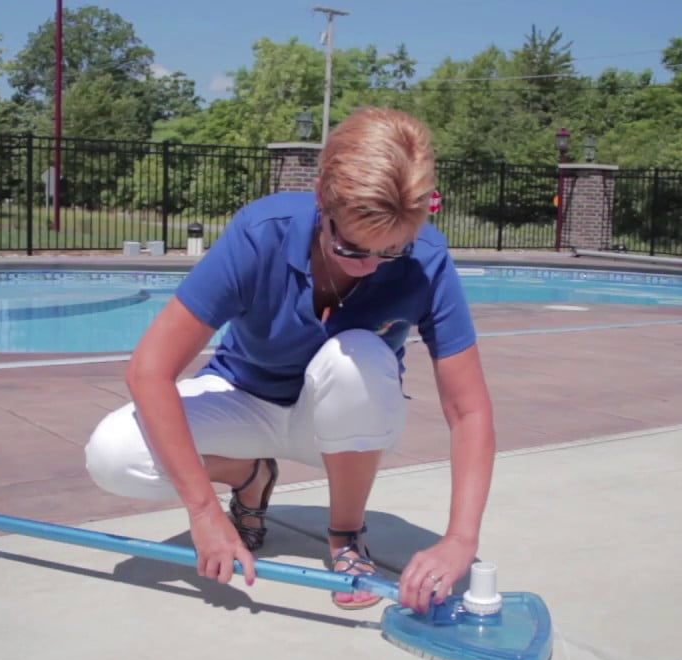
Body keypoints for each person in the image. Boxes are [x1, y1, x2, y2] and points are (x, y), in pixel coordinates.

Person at [84, 106, 495, 613]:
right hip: (244, 401)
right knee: (113, 455)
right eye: (352, 248)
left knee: (356, 355)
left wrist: (461, 540)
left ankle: (346, 537)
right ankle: (249, 475)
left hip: (346, 426)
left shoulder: (427, 259)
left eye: (391, 251)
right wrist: (204, 511)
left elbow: (468, 410)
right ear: (323, 195)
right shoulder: (264, 232)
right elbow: (149, 370)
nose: (369, 268)